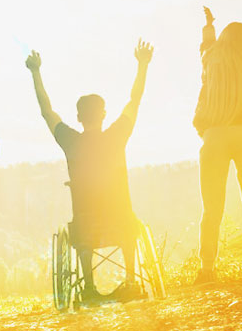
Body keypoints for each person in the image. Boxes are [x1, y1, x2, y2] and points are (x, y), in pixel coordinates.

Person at [27, 42, 153, 301]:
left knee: (83, 226)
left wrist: (35, 72)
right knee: (128, 220)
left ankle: (88, 288)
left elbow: (46, 111)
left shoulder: (70, 141)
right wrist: (142, 65)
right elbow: (135, 100)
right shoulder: (117, 136)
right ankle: (131, 282)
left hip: (85, 226)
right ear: (104, 114)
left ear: (78, 117)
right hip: (121, 220)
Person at [193, 7, 242, 281]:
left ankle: (207, 269)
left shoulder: (212, 61)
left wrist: (209, 27)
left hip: (215, 135)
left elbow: (206, 48)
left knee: (212, 207)